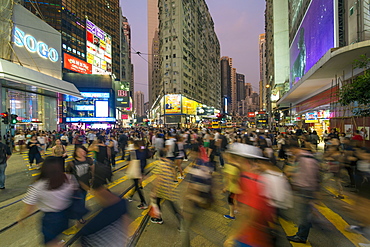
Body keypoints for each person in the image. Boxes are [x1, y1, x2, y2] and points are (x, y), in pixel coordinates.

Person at [17, 157, 78, 246]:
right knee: (57, 237)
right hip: (66, 215)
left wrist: (20, 217)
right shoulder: (69, 178)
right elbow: (75, 192)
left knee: (50, 242)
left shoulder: (39, 185)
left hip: (51, 219)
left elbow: (29, 208)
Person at [223, 143, 274, 247]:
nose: (230, 160)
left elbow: (250, 214)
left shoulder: (250, 181)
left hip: (252, 239)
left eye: (233, 158)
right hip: (251, 236)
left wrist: (233, 236)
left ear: (243, 161)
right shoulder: (247, 177)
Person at [285, 140, 320, 244]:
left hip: (306, 189)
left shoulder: (303, 158)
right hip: (308, 188)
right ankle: (303, 231)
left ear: (293, 149)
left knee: (303, 214)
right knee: (305, 213)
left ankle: (301, 236)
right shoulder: (307, 156)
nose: (290, 153)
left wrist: (293, 177)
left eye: (290, 151)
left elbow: (307, 175)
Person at [150, 149, 182, 226]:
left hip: (161, 189)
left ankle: (159, 218)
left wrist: (154, 190)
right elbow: (174, 172)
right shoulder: (169, 162)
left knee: (162, 203)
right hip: (168, 186)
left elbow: (158, 178)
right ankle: (158, 218)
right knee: (170, 204)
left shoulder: (159, 164)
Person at [127, 140, 149, 209]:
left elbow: (129, 162)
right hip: (141, 170)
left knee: (137, 186)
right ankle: (131, 196)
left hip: (135, 171)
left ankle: (143, 202)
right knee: (136, 184)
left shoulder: (134, 152)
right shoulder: (144, 151)